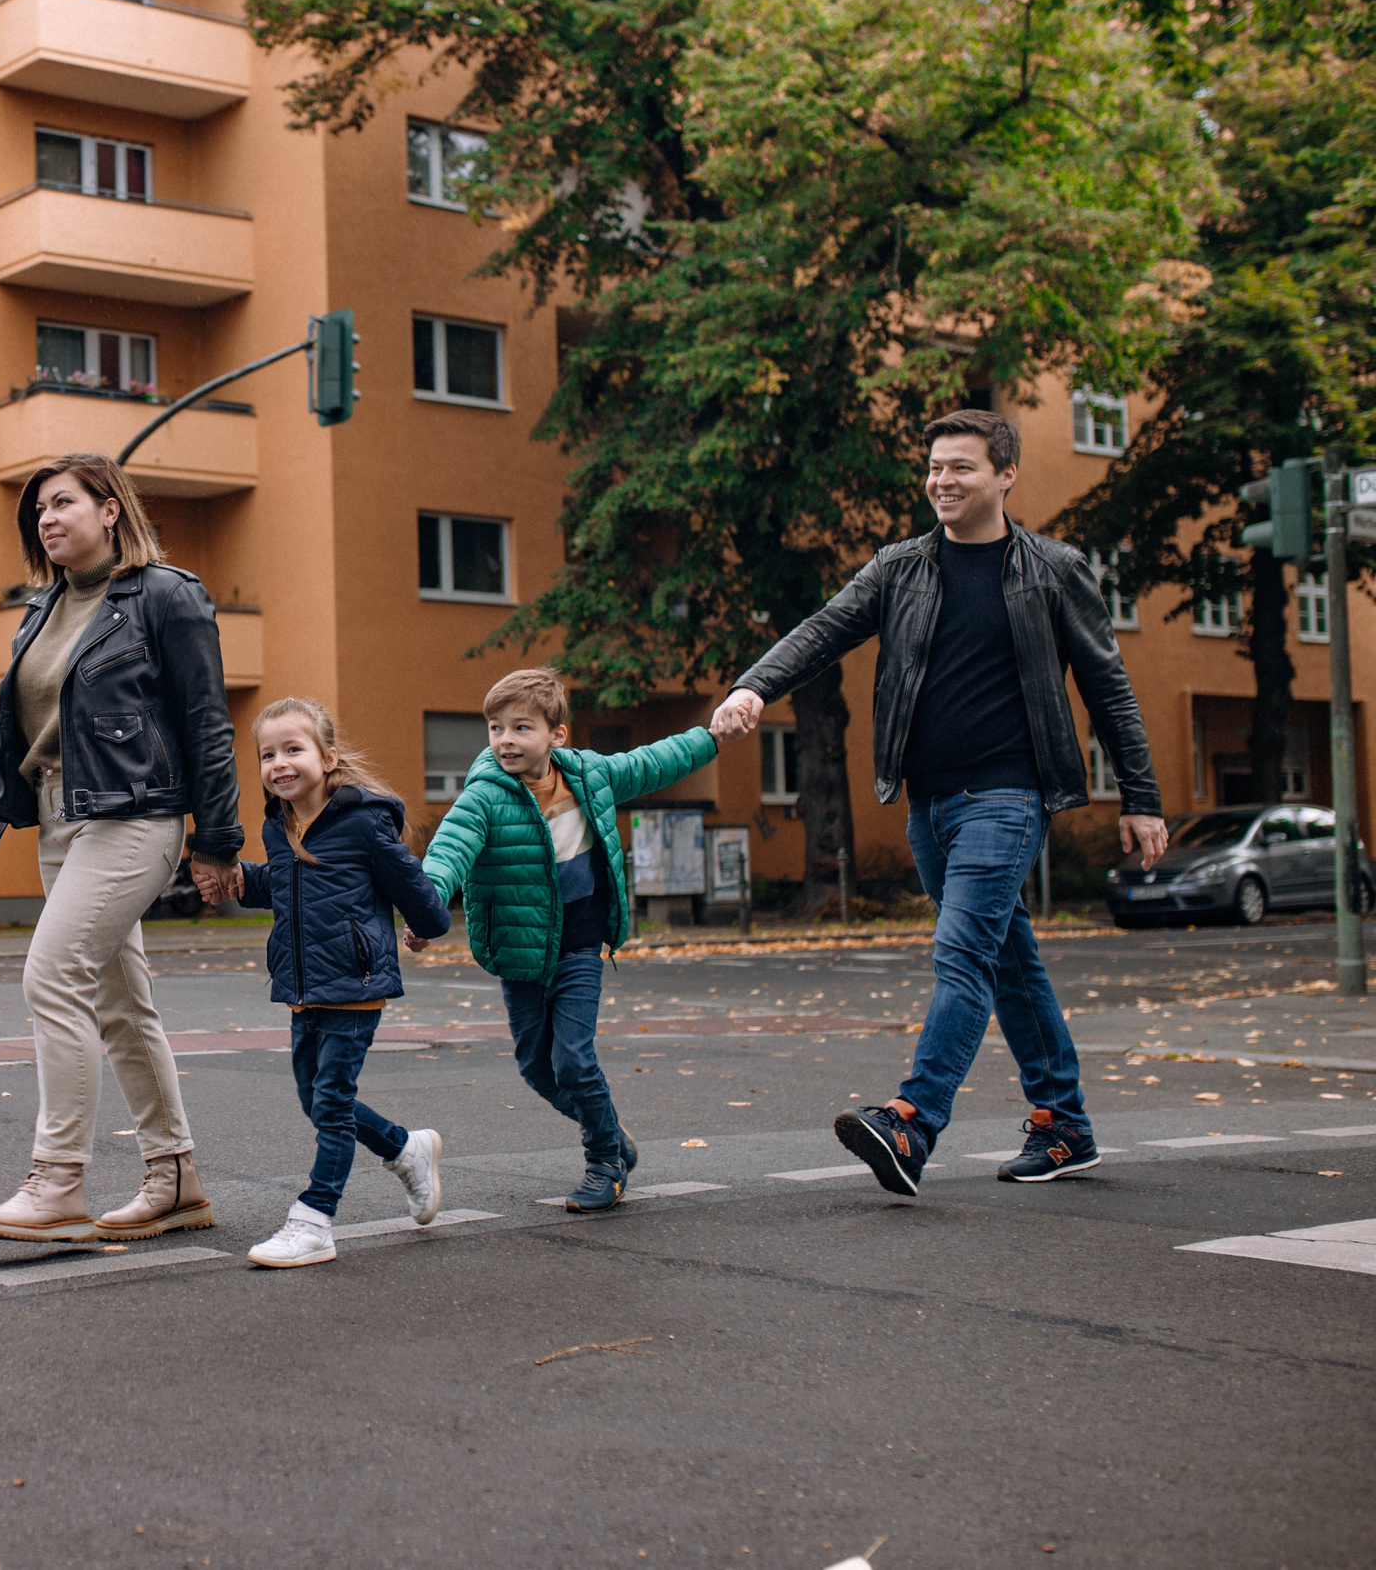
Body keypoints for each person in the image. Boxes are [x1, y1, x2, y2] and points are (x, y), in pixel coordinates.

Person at [710, 408, 1168, 1194]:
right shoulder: (900, 567)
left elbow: (1108, 685)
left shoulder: (1054, 569)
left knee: (960, 953)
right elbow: (823, 631)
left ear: (1005, 475)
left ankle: (913, 1121)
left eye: (960, 467)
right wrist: (754, 684)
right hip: (929, 805)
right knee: (1007, 961)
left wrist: (1142, 795)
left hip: (1011, 795)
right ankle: (1066, 1125)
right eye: (934, 467)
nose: (942, 481)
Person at [0, 454, 243, 1242]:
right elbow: (9, 732)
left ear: (111, 510)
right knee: (118, 1003)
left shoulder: (165, 596)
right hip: (60, 817)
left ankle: (57, 1180)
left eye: (63, 501)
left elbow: (208, 723)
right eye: (37, 508)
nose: (45, 517)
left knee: (53, 972)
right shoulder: (40, 611)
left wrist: (218, 840)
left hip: (138, 815)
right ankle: (175, 1178)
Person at [410, 669, 719, 1212]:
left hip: (581, 944)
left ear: (557, 735)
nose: (505, 739)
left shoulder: (590, 776)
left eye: (521, 727)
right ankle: (611, 1133)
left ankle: (605, 1162)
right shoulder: (483, 799)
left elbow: (655, 762)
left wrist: (714, 735)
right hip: (521, 951)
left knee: (573, 1061)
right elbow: (446, 855)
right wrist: (425, 908)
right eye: (495, 727)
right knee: (536, 1068)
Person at [232, 698, 454, 1268]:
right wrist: (237, 882)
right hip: (304, 984)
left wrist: (426, 926)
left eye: (293, 749)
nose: (280, 763)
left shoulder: (363, 821)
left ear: (328, 758)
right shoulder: (278, 826)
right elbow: (283, 886)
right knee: (317, 1098)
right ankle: (406, 1150)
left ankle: (313, 1219)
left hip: (356, 982)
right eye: (267, 754)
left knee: (329, 1102)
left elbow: (411, 884)